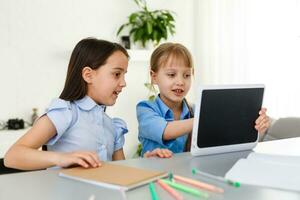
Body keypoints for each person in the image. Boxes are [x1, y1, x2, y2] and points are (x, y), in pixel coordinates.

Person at [4, 38, 172, 171]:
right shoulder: (65, 113)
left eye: (124, 75)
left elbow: (121, 171)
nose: (123, 83)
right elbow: (13, 156)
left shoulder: (112, 126)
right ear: (88, 75)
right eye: (116, 74)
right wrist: (62, 158)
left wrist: (148, 162)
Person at [136, 42, 270, 155]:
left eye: (187, 75)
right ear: (154, 77)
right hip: (154, 176)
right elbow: (166, 131)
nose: (180, 81)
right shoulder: (145, 109)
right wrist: (207, 120)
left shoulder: (195, 110)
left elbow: (223, 139)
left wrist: (254, 125)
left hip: (185, 175)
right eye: (171, 75)